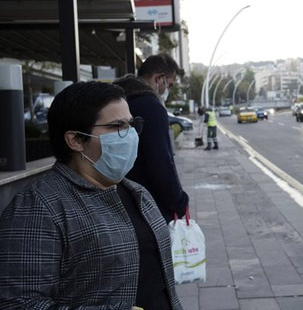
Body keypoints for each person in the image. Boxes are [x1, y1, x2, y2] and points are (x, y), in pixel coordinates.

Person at [0, 81, 181, 309]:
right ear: (75, 140)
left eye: (131, 124)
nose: (130, 135)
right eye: (117, 126)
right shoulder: (37, 208)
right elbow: (18, 303)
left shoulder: (136, 192)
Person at [114, 54, 189, 223]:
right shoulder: (151, 107)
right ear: (159, 78)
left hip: (118, 201)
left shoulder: (118, 102)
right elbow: (161, 164)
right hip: (147, 207)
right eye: (169, 84)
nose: (168, 90)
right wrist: (179, 202)